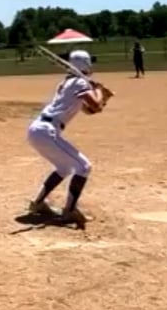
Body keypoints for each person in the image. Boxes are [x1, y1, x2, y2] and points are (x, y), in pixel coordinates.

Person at [24, 49, 108, 226]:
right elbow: (95, 105)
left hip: (38, 129)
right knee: (84, 167)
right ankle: (69, 211)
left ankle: (38, 203)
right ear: (86, 64)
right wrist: (99, 91)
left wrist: (100, 97)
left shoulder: (68, 83)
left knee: (64, 168)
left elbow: (90, 110)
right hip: (47, 130)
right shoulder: (80, 83)